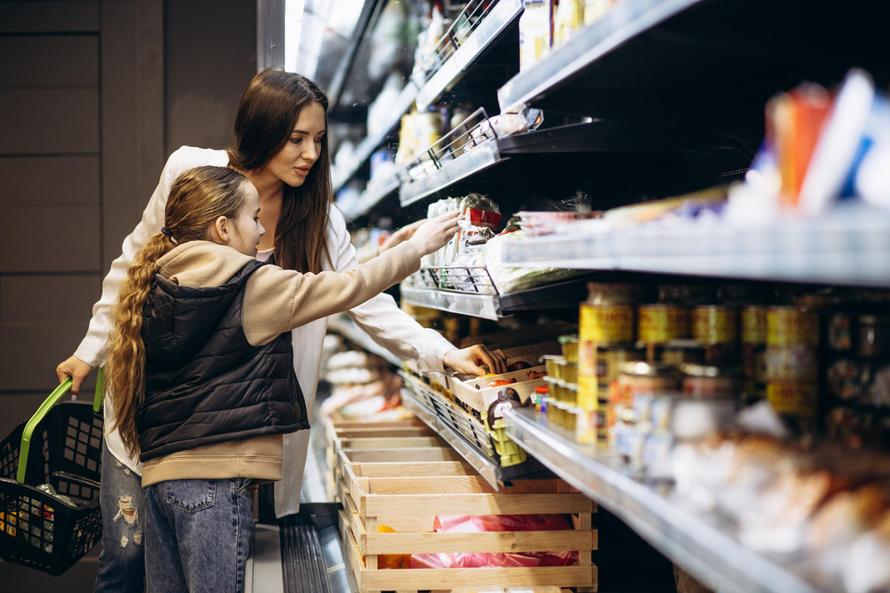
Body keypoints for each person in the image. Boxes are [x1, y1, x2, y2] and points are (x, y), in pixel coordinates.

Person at [55, 69, 504, 593]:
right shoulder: (192, 172)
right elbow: (135, 263)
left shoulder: (319, 220)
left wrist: (441, 352)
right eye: (296, 139)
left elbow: (365, 300)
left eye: (318, 139)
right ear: (263, 129)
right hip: (147, 411)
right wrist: (92, 349)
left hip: (228, 430)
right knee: (126, 563)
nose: (310, 153)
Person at [102, 164, 458, 592]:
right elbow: (347, 288)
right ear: (222, 228)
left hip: (158, 483)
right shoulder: (250, 286)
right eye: (253, 218)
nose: (260, 231)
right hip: (214, 488)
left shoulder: (154, 283)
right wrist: (415, 249)